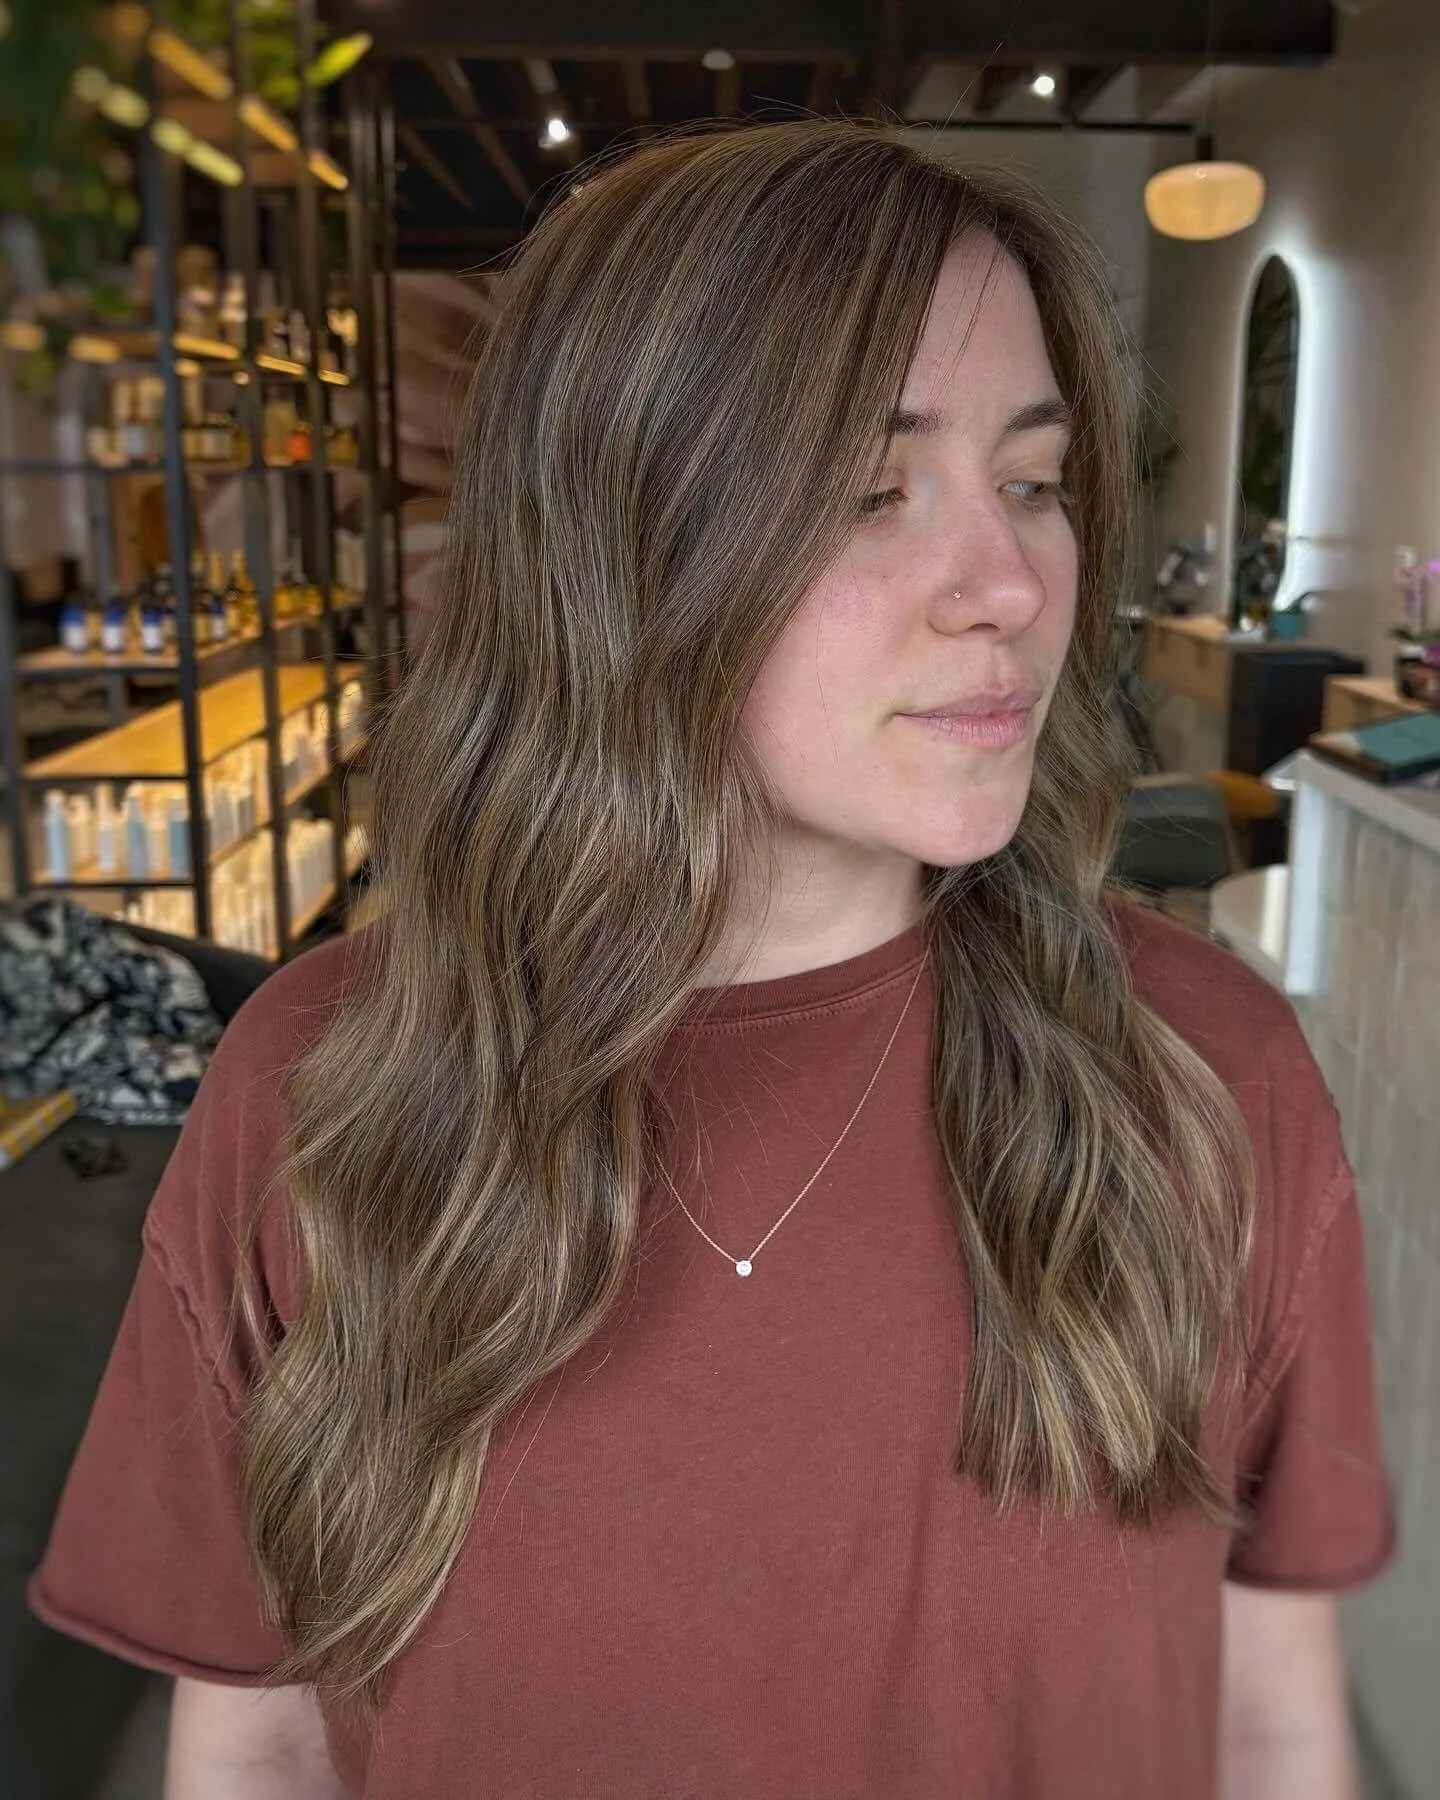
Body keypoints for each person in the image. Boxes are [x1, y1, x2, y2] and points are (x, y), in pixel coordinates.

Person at [28, 121, 1394, 1799]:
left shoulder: (1209, 1072)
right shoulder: (329, 1092)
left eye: (1032, 482)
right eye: (866, 490)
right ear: (618, 546)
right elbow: (257, 1741)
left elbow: (1266, 1716)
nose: (1011, 584)